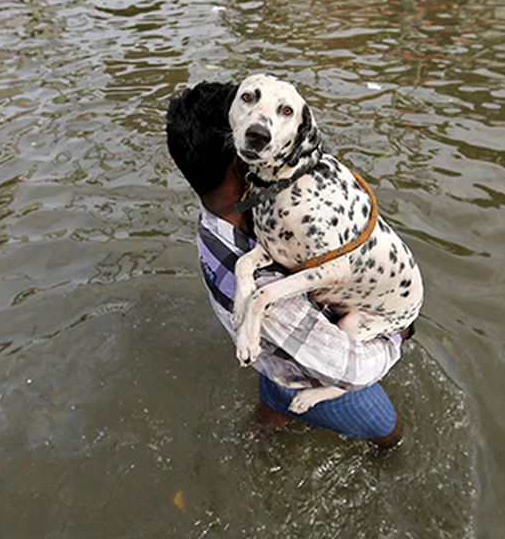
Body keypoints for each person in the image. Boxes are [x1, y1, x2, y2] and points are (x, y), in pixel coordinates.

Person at [165, 80, 410, 449]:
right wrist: (398, 334)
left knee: (267, 418)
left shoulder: (217, 223)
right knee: (392, 434)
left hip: (271, 357)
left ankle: (255, 437)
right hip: (301, 367)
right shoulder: (264, 290)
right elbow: (352, 368)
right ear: (244, 154)